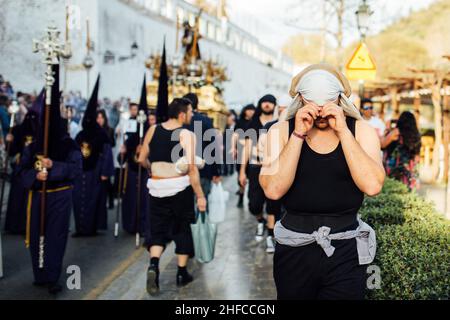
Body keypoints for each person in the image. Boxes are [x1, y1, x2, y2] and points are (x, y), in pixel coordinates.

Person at [260, 64, 385, 300]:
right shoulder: (280, 131)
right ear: (300, 100)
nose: (320, 115)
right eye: (312, 107)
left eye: (327, 107)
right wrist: (297, 135)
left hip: (346, 247)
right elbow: (273, 190)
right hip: (294, 247)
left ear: (339, 100)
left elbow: (373, 186)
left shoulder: (361, 131)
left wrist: (344, 133)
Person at [19, 65, 82, 294]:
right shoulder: (34, 146)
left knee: (55, 237)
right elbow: (22, 170)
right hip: (38, 195)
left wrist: (54, 166)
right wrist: (34, 176)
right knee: (37, 235)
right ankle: (40, 272)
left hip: (60, 195)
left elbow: (76, 169)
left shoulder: (67, 144)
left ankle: (53, 275)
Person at [138, 98, 206, 295]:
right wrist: (200, 196)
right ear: (182, 114)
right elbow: (192, 169)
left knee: (157, 230)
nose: (192, 115)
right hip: (179, 188)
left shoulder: (153, 129)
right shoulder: (186, 134)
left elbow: (142, 159)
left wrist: (154, 169)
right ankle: (181, 273)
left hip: (156, 187)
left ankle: (153, 265)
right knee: (182, 229)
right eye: (191, 111)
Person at [73, 77, 114, 237]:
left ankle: (91, 228)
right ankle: (80, 228)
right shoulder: (81, 135)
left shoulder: (102, 135)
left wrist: (105, 172)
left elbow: (107, 154)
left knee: (93, 200)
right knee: (79, 200)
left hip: (95, 172)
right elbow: (74, 152)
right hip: (80, 172)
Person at [239, 95, 280, 248]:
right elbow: (246, 149)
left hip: (273, 168)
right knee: (254, 204)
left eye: (270, 102)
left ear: (274, 105)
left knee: (273, 203)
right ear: (260, 105)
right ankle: (260, 221)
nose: (267, 104)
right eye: (264, 102)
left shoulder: (279, 124)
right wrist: (242, 171)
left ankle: (270, 235)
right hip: (256, 167)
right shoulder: (252, 124)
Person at [4, 90, 44, 234]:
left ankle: (26, 225)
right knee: (16, 198)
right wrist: (10, 141)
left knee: (29, 199)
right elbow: (13, 151)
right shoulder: (19, 130)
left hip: (32, 170)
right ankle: (14, 225)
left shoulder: (40, 134)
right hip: (20, 170)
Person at [119, 80, 150, 237]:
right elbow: (122, 157)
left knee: (144, 201)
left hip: (145, 172)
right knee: (131, 200)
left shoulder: (150, 133)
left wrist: (144, 151)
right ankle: (131, 224)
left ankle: (143, 226)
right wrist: (125, 150)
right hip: (132, 170)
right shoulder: (131, 132)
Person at [184, 93, 221, 198]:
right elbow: (212, 147)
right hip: (204, 169)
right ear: (197, 105)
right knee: (202, 200)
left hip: (183, 169)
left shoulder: (179, 121)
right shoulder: (206, 121)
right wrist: (216, 171)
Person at [381, 111, 421, 191]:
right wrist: (415, 175)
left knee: (392, 191)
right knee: (406, 191)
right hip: (408, 169)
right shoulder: (416, 135)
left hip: (394, 168)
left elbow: (382, 144)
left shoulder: (396, 132)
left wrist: (387, 129)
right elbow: (417, 156)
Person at [234, 104, 256, 208]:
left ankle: (251, 198)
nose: (251, 112)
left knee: (252, 176)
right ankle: (241, 197)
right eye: (249, 110)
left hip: (253, 153)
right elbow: (235, 135)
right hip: (241, 151)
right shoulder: (240, 122)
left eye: (252, 110)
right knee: (241, 176)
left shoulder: (256, 122)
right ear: (245, 111)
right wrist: (234, 148)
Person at [96, 110, 116, 209]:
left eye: (101, 117)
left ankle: (111, 201)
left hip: (107, 157)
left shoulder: (110, 130)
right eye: (98, 118)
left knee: (109, 183)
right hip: (98, 160)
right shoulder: (94, 131)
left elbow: (113, 144)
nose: (99, 120)